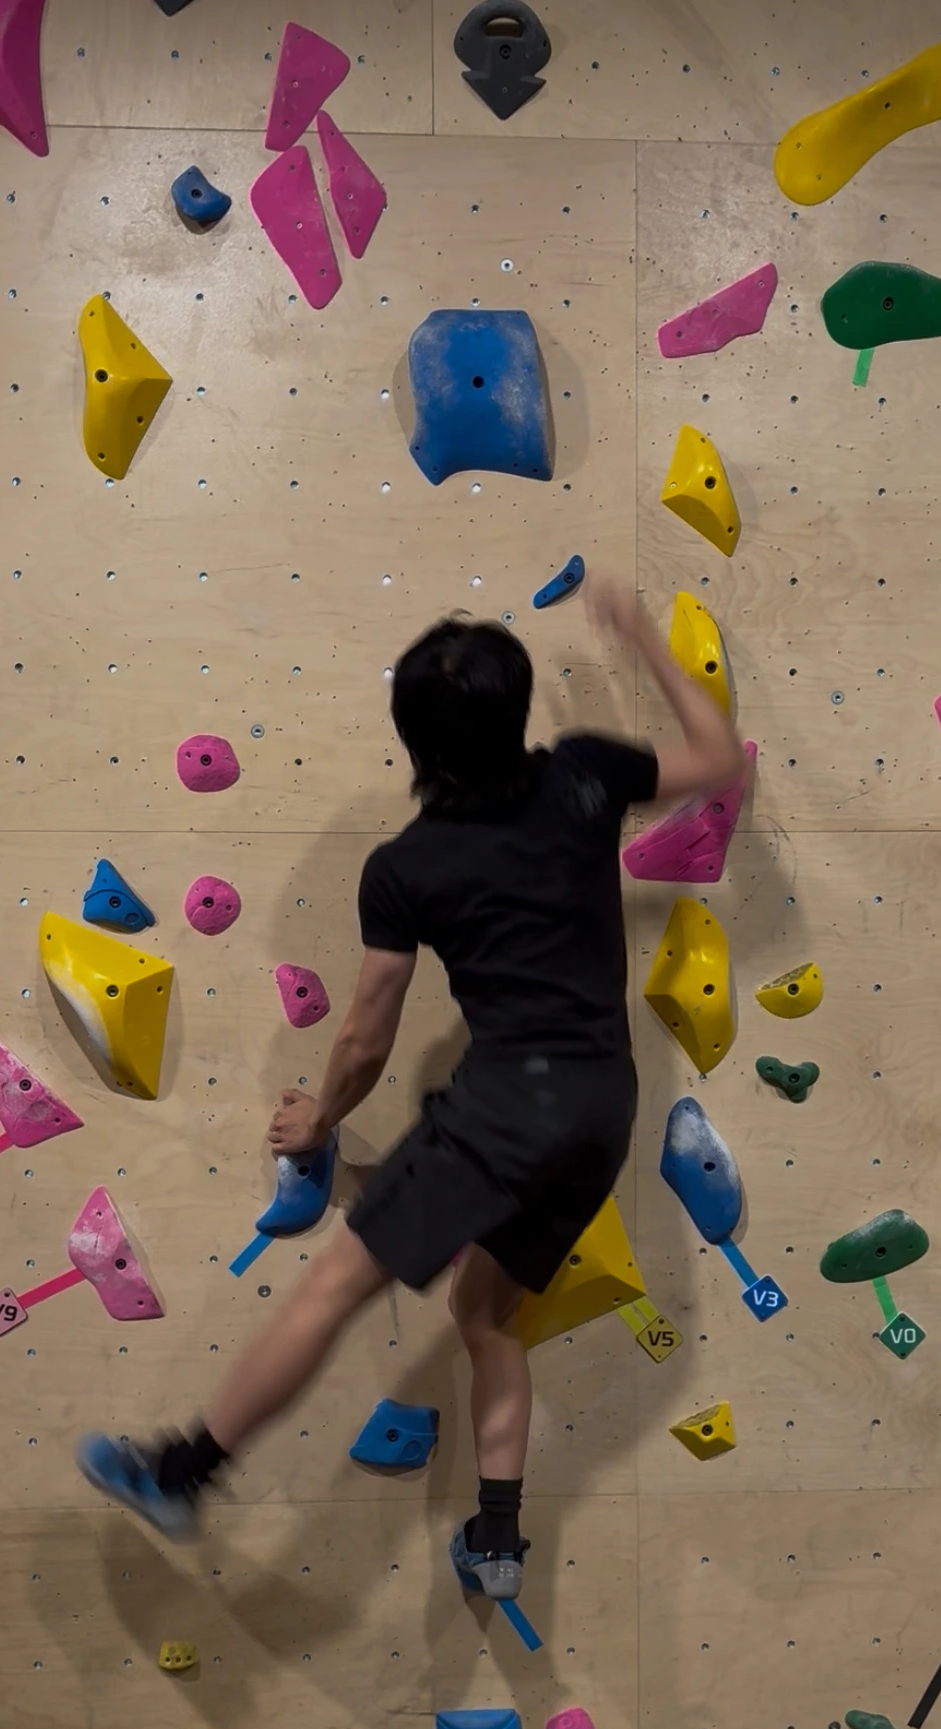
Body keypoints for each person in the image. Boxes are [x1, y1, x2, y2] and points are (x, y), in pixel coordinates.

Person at [77, 578, 748, 1599]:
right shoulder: (585, 775)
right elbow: (717, 757)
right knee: (486, 1314)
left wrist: (322, 1116)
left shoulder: (408, 864)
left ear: (412, 740)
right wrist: (644, 635)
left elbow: (366, 1031)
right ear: (517, 711)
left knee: (333, 1288)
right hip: (600, 1115)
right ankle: (497, 1543)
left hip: (506, 1109)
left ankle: (182, 1472)